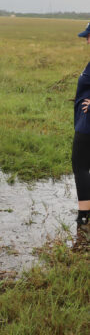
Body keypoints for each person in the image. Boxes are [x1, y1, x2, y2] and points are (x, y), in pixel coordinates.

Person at [71, 23, 90, 227]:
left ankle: (83, 216)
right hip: (84, 122)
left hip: (87, 126)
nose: (86, 40)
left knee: (80, 165)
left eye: (88, 36)